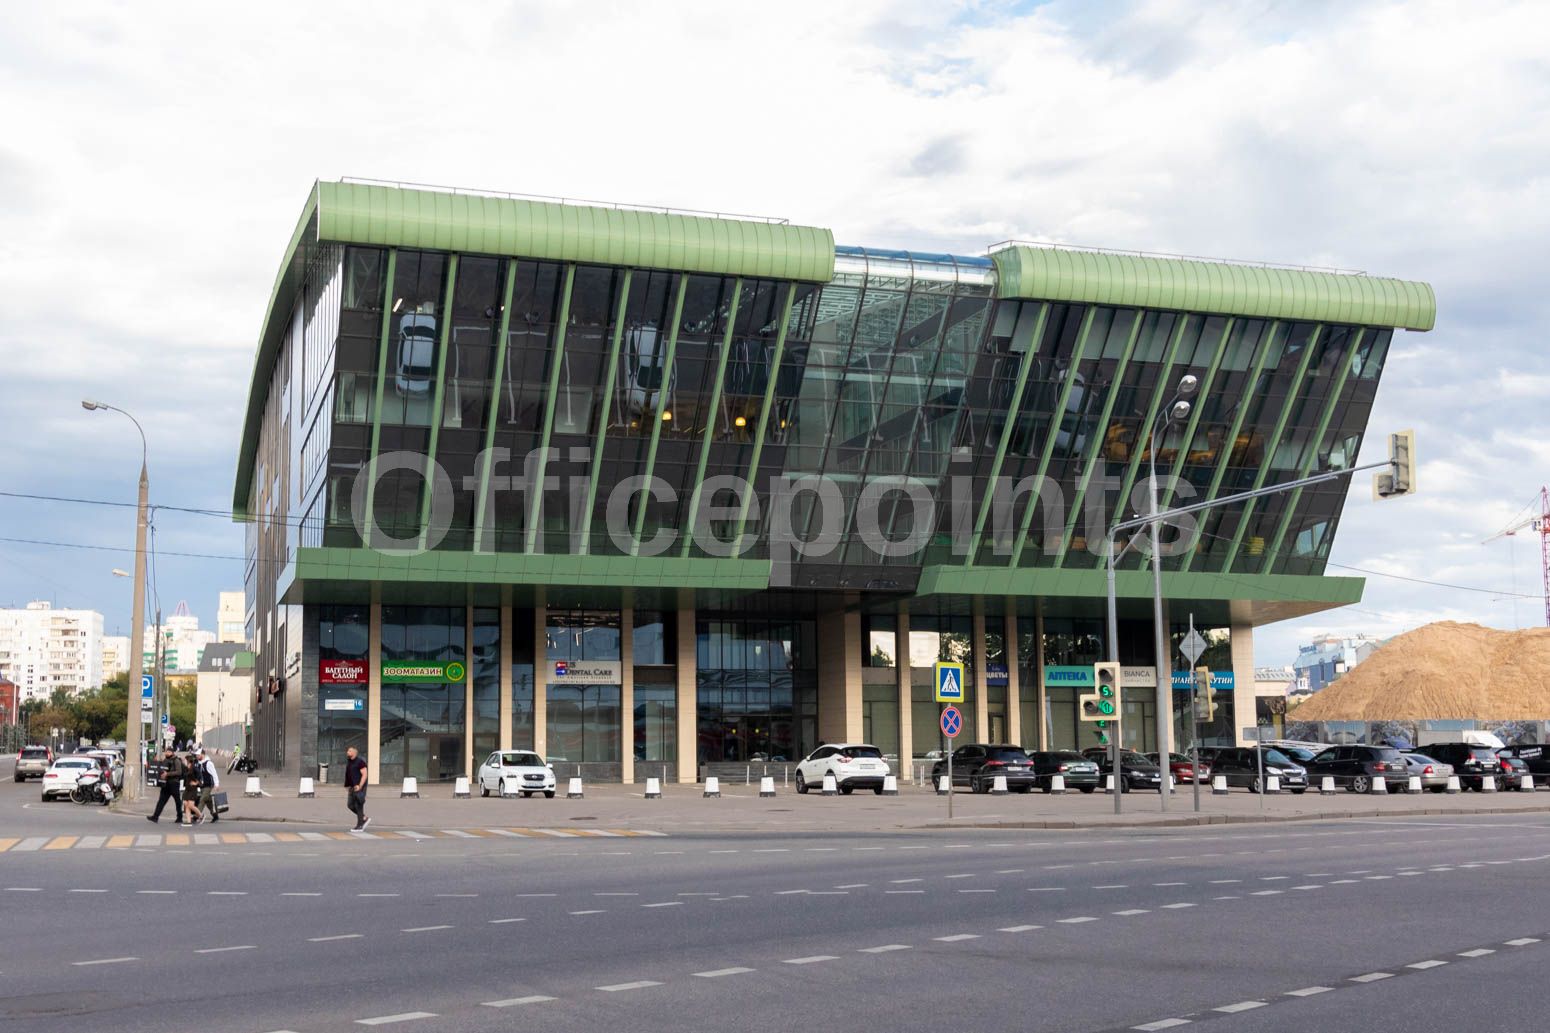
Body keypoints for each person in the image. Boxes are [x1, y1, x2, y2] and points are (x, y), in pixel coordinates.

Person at [148, 746, 183, 823]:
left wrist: (168, 774)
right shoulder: (166, 760)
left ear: (172, 753)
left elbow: (179, 772)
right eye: (166, 752)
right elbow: (162, 769)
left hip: (174, 783)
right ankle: (155, 817)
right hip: (166, 784)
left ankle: (180, 817)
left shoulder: (176, 760)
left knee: (177, 801)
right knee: (161, 801)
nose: (166, 753)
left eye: (168, 752)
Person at [344, 746, 369, 831]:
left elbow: (365, 774)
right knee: (350, 805)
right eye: (348, 751)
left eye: (349, 751)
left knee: (359, 805)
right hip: (352, 787)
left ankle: (360, 826)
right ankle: (364, 818)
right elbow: (349, 775)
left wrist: (360, 786)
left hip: (359, 787)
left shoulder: (360, 762)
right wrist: (347, 785)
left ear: (354, 753)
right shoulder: (349, 762)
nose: (347, 752)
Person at [194, 745, 221, 823]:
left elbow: (214, 774)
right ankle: (215, 815)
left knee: (202, 799)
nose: (196, 756)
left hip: (208, 785)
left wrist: (217, 784)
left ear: (203, 754)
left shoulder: (208, 763)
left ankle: (196, 816)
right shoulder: (198, 763)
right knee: (208, 801)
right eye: (196, 755)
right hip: (201, 785)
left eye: (198, 755)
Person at [180, 750, 203, 826]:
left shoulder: (194, 768)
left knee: (190, 805)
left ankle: (201, 816)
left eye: (185, 760)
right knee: (186, 804)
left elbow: (200, 776)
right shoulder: (186, 768)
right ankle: (188, 821)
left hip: (193, 789)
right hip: (187, 788)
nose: (184, 761)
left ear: (188, 761)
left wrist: (196, 783)